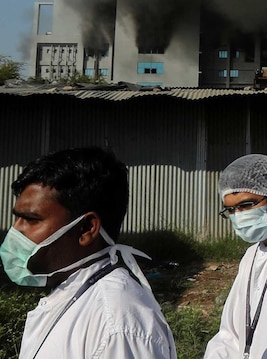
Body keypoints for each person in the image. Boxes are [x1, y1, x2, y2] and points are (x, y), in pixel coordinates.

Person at [0, 148, 176, 359]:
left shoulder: (116, 324)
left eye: (31, 219)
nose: (15, 231)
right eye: (17, 218)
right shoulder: (74, 293)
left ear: (86, 229)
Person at [204, 154, 267, 359]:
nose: (239, 215)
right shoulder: (251, 256)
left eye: (246, 205)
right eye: (230, 210)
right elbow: (230, 333)